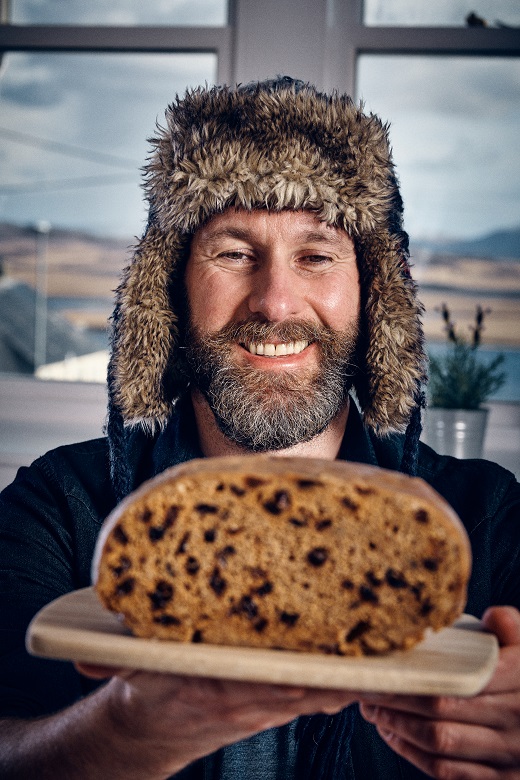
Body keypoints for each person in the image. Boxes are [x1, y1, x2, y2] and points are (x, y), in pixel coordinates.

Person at [0, 76, 519, 779]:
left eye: (316, 255)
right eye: (235, 252)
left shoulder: (489, 521)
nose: (276, 303)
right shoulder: (58, 507)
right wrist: (124, 730)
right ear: (170, 292)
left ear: (375, 294)